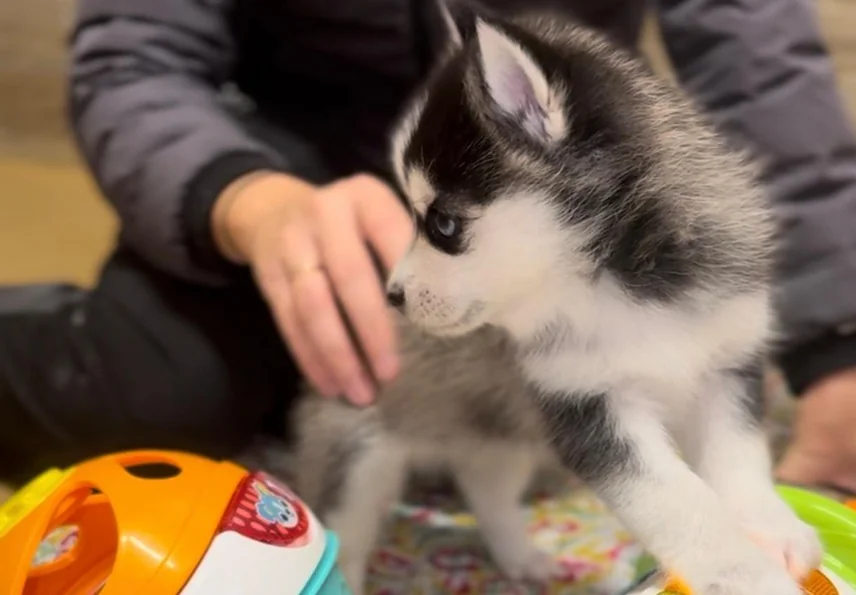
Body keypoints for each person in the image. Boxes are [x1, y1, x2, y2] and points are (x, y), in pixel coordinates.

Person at [1, 0, 854, 494]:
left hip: (541, 224)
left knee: (588, 430)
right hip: (277, 182)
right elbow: (134, 62)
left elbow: (756, 65)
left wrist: (838, 343)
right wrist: (247, 202)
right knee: (155, 395)